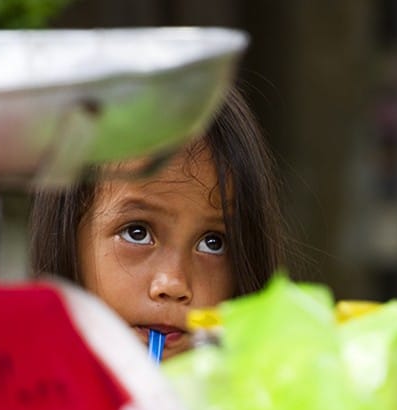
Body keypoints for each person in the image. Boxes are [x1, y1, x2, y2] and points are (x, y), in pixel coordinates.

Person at [29, 84, 291, 359]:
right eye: (137, 232)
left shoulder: (275, 399)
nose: (173, 284)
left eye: (213, 243)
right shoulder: (0, 394)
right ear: (66, 234)